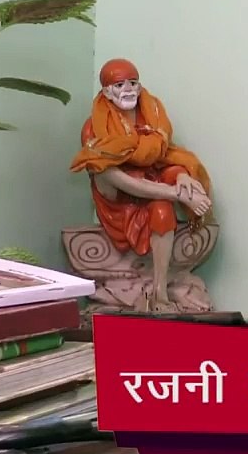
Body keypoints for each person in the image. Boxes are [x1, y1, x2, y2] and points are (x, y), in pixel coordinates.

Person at [70, 58, 212, 307]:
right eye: (119, 85)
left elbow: (163, 156)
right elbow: (105, 171)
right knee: (101, 168)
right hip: (117, 196)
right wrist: (175, 192)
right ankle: (176, 193)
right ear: (107, 91)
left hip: (151, 184)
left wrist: (182, 175)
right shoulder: (94, 126)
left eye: (132, 83)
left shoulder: (152, 114)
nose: (128, 89)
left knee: (164, 205)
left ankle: (160, 291)